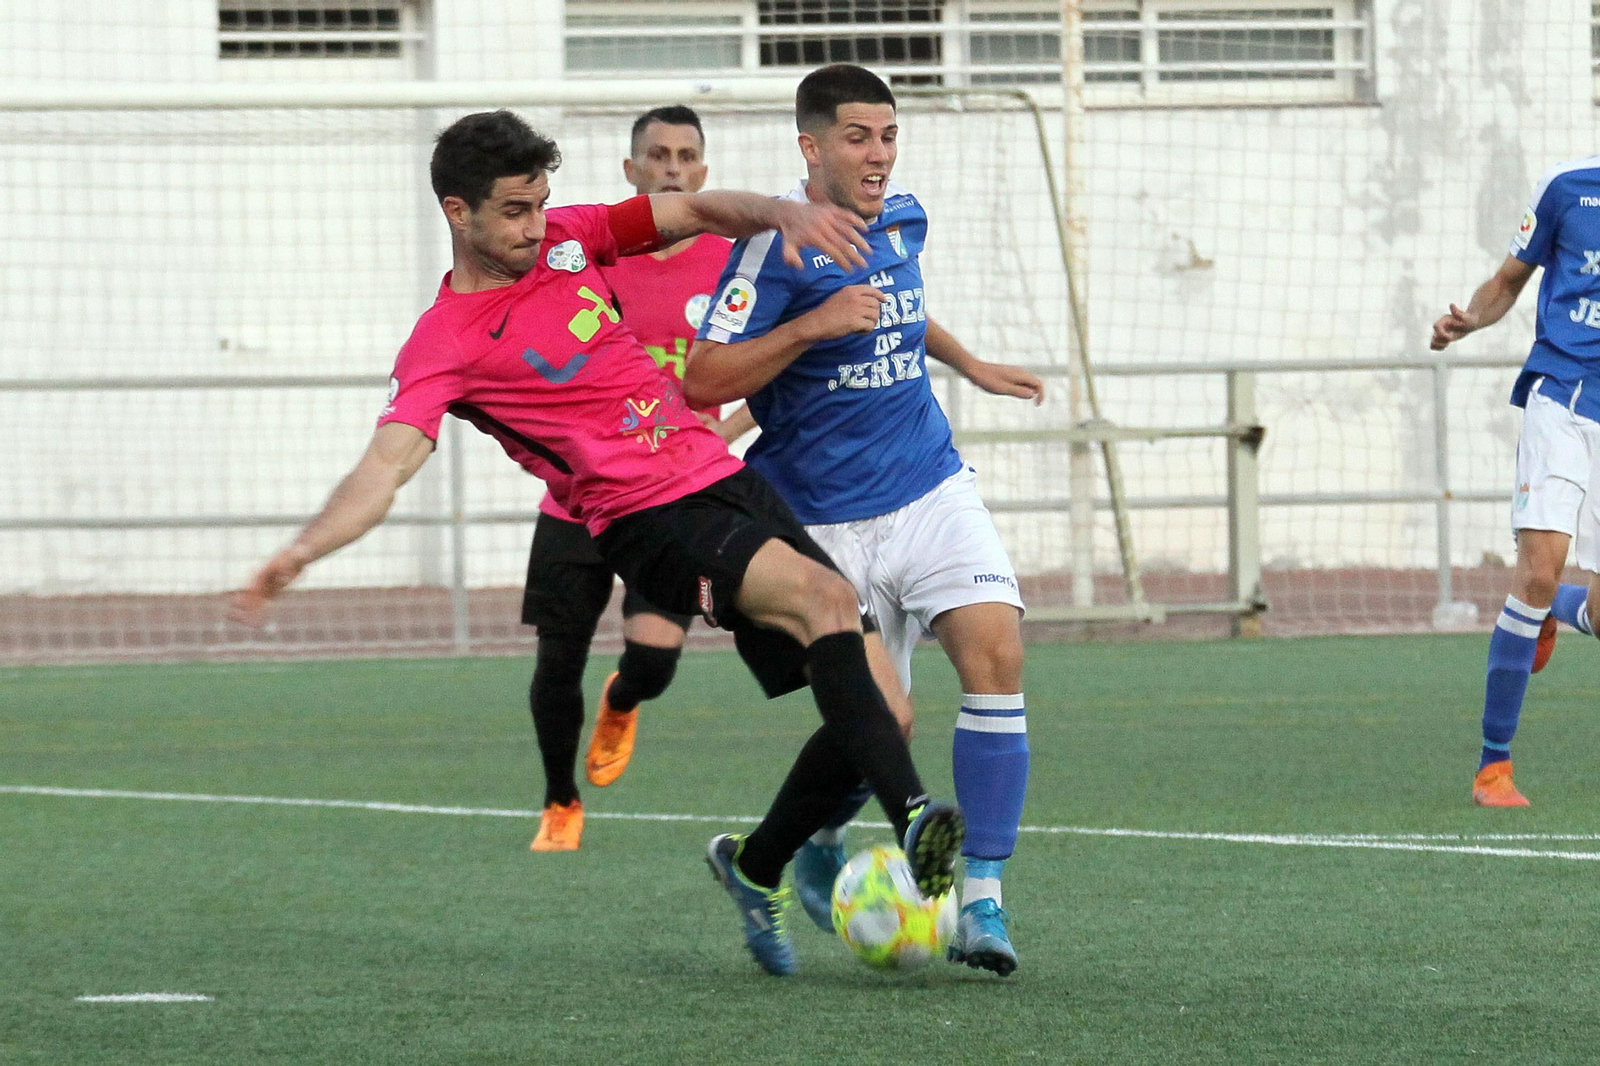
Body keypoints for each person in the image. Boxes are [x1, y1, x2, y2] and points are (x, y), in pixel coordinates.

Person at [228, 109, 962, 976]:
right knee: (827, 601)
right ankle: (913, 816)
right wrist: (304, 550)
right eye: (512, 212)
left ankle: (755, 864)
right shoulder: (444, 346)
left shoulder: (569, 241)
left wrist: (781, 213)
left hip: (717, 475)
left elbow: (686, 212)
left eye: (541, 204)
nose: (534, 227)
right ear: (457, 213)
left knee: (889, 712)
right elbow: (383, 469)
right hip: (644, 518)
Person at [685, 65, 1042, 976]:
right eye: (857, 137)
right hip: (820, 523)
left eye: (886, 135)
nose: (878, 155)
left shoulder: (905, 217)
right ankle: (774, 854)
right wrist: (810, 328)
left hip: (928, 484)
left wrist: (975, 365)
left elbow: (902, 313)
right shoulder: (771, 256)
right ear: (811, 146)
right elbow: (703, 381)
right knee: (884, 720)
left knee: (996, 650)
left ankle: (984, 905)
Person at [521, 104, 756, 853]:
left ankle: (623, 700)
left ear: (704, 173)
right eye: (658, 155)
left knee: (653, 661)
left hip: (675, 493)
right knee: (558, 662)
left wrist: (728, 425)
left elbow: (776, 364)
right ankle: (560, 800)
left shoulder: (728, 262)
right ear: (632, 172)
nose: (673, 168)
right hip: (579, 498)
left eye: (687, 156)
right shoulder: (591, 258)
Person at [1433, 154, 1600, 807]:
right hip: (1560, 397)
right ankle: (1492, 768)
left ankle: (1556, 611)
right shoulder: (1569, 191)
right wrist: (1471, 318)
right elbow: (1508, 279)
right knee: (1536, 569)